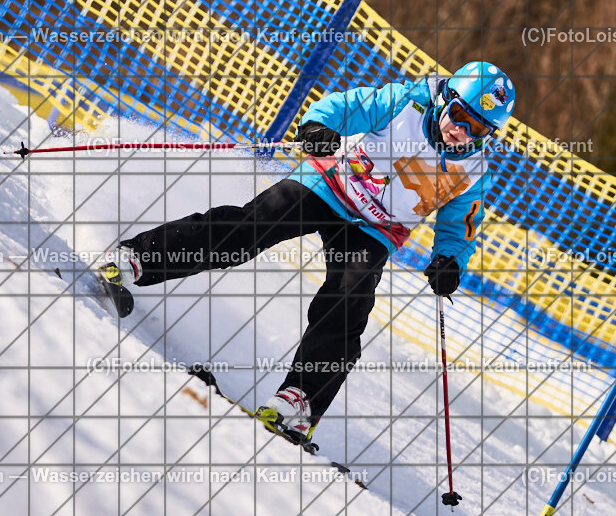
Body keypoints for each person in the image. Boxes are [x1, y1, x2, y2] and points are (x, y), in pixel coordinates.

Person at [97, 61, 515, 441]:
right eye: (460, 116)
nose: (461, 132)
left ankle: (299, 401)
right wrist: (318, 126)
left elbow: (460, 227)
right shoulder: (406, 101)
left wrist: (449, 261)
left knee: (349, 300)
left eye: (477, 129)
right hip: (329, 184)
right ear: (445, 101)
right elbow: (344, 106)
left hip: (375, 229)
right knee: (254, 225)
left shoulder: (472, 172)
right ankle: (136, 259)